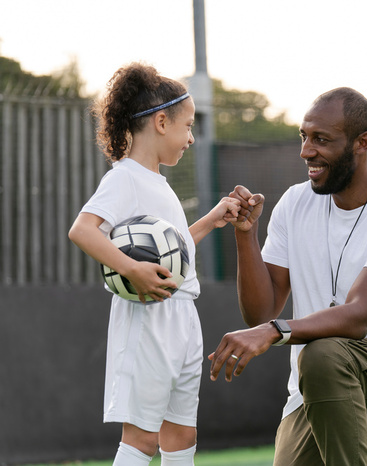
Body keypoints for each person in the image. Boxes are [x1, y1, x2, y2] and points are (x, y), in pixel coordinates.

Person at [209, 87, 367, 466]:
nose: (306, 151)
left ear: (363, 143)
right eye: (304, 136)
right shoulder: (294, 204)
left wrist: (274, 331)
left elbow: (359, 316)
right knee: (319, 360)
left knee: (322, 353)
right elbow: (260, 310)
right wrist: (246, 235)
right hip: (313, 386)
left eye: (321, 140)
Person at [68, 63, 241, 466]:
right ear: (161, 122)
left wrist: (211, 220)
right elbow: (83, 229)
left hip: (182, 316)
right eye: (188, 125)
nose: (192, 138)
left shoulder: (158, 182)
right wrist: (130, 269)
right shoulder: (124, 178)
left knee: (180, 434)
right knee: (143, 437)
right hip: (147, 320)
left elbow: (173, 253)